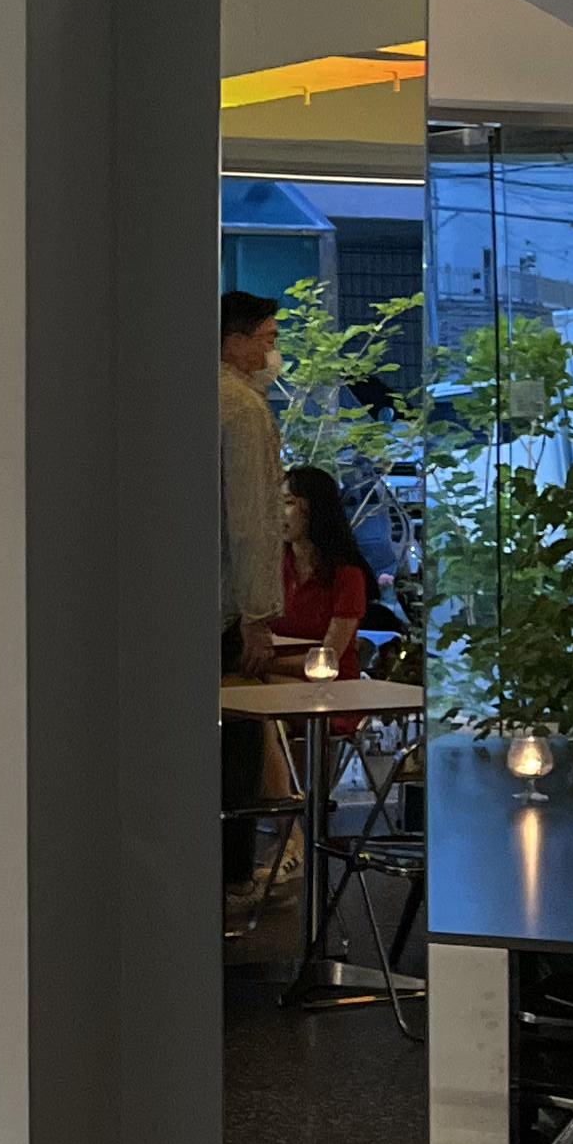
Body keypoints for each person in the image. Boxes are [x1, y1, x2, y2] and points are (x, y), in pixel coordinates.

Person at [219, 290, 293, 892]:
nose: (273, 352)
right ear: (236, 341)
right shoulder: (242, 409)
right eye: (266, 339)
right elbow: (252, 521)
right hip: (226, 610)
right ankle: (235, 878)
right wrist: (257, 614)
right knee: (237, 748)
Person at [278, 464, 372, 671]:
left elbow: (327, 659)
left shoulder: (347, 575)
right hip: (270, 678)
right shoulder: (273, 568)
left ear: (316, 508)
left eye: (288, 502)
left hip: (329, 683)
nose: (278, 512)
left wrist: (266, 666)